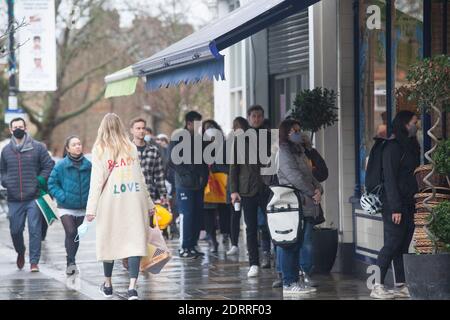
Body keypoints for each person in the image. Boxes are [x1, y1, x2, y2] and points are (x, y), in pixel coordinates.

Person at [85, 113, 155, 300]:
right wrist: (149, 203)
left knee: (109, 240)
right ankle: (132, 287)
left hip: (111, 201)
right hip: (134, 199)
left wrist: (91, 209)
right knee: (135, 242)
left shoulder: (99, 149)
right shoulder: (130, 147)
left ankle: (108, 284)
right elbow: (140, 178)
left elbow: (97, 182)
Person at [371, 111, 420, 299]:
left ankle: (400, 284)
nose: (417, 126)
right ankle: (376, 285)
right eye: (414, 122)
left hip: (409, 203)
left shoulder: (410, 146)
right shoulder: (392, 147)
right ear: (405, 124)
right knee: (391, 245)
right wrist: (396, 208)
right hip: (394, 205)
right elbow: (390, 179)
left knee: (402, 245)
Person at [0, 117, 55, 272]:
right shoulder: (5, 151)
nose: (18, 129)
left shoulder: (38, 147)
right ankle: (20, 251)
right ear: (10, 130)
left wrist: (39, 180)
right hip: (14, 198)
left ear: (26, 128)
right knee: (15, 230)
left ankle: (34, 262)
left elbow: (49, 165)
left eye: (21, 126)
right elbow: (2, 171)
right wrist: (6, 182)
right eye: (15, 127)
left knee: (35, 230)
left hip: (34, 197)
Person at [277, 119, 322, 295]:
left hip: (305, 201)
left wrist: (319, 189)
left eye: (299, 129)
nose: (298, 133)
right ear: (286, 133)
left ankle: (295, 280)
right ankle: (288, 282)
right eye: (294, 131)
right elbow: (294, 177)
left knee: (299, 243)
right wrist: (312, 192)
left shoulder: (299, 150)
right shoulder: (283, 151)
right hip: (294, 203)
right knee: (290, 243)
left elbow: (309, 174)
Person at [229, 105, 272, 277]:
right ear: (248, 118)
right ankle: (253, 262)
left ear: (263, 117)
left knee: (271, 225)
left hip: (266, 188)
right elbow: (234, 167)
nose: (256, 119)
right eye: (253, 116)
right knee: (251, 227)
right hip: (246, 190)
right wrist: (234, 191)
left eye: (259, 116)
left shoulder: (269, 137)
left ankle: (268, 255)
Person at [48, 136, 91, 275]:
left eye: (79, 144)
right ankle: (71, 262)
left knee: (75, 235)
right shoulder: (61, 165)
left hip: (82, 207)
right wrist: (62, 196)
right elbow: (52, 183)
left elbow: (95, 184)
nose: (78, 146)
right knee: (71, 232)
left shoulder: (89, 165)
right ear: (67, 148)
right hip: (65, 207)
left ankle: (71, 260)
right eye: (74, 144)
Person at [168, 111, 209, 258]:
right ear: (189, 123)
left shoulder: (200, 138)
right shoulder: (178, 137)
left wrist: (204, 177)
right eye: (197, 124)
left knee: (197, 215)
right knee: (187, 215)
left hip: (199, 184)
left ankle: (192, 244)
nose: (199, 127)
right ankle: (184, 247)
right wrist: (186, 173)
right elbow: (172, 160)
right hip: (185, 184)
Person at [202, 120, 231, 253]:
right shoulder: (200, 145)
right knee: (209, 211)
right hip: (208, 182)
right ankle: (212, 237)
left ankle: (225, 233)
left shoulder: (224, 145)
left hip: (222, 180)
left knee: (224, 209)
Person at [226, 117, 250, 256]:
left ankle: (246, 245)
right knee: (235, 216)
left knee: (247, 218)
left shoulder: (248, 142)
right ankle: (234, 243)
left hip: (245, 186)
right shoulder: (231, 142)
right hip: (235, 185)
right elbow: (231, 168)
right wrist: (233, 189)